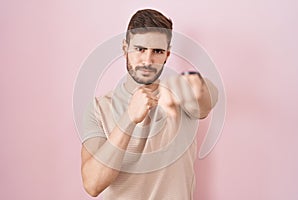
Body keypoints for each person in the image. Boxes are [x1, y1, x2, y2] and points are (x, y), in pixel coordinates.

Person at [80, 9, 218, 199]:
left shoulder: (180, 95)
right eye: (140, 49)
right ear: (124, 48)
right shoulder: (98, 108)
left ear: (167, 55)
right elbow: (93, 184)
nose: (147, 60)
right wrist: (129, 119)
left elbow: (206, 100)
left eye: (158, 52)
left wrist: (197, 86)